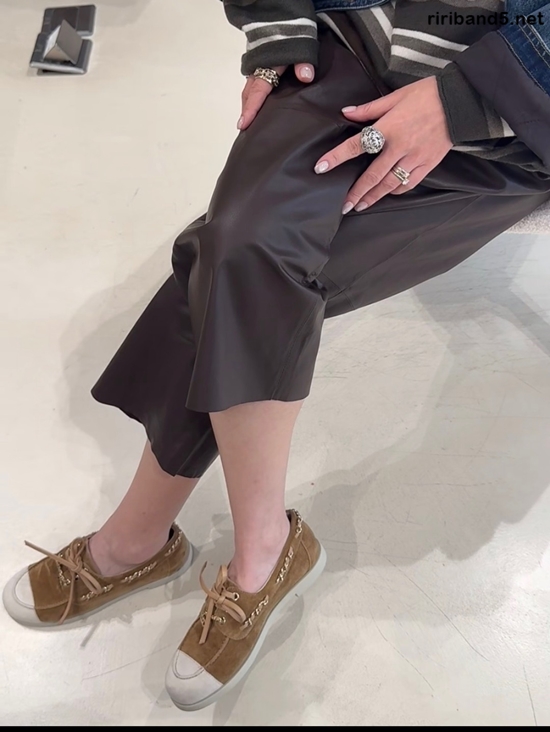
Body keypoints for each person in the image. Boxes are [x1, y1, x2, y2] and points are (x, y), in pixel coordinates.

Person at [4, 0, 550, 713]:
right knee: (235, 253)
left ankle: (154, 544)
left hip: (508, 114)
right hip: (350, 41)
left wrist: (466, 98)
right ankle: (252, 550)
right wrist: (278, 23)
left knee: (236, 265)